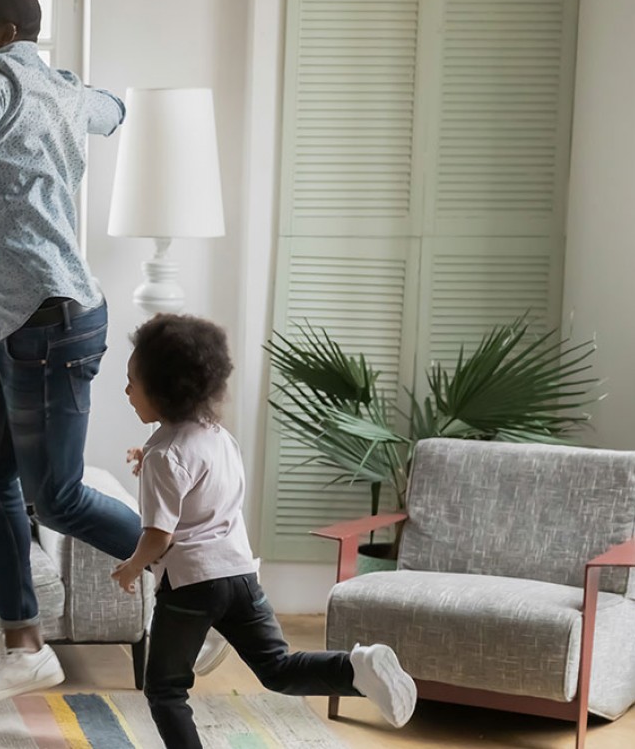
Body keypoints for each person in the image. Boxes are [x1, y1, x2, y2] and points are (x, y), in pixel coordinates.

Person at [0, 0, 228, 708]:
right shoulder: (57, 84)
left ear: (3, 33)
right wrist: (95, 99)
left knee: (57, 498)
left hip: (48, 322)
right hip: (18, 320)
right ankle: (25, 645)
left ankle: (208, 581)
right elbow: (113, 109)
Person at [112, 313, 418, 747]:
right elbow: (197, 476)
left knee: (164, 689)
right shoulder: (217, 436)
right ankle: (356, 669)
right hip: (239, 575)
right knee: (277, 667)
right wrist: (150, 456)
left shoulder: (165, 457)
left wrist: (131, 567)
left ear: (162, 390)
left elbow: (160, 536)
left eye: (132, 382)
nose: (126, 390)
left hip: (190, 586)